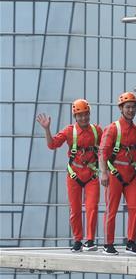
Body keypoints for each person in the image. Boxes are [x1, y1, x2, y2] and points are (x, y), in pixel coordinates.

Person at [36, 99, 102, 252]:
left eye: (86, 114)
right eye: (80, 115)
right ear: (75, 116)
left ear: (89, 114)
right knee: (75, 209)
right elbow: (52, 145)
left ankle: (90, 240)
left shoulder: (96, 130)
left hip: (91, 174)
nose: (83, 118)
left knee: (92, 207)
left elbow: (107, 146)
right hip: (74, 175)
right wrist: (47, 129)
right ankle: (77, 240)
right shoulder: (69, 131)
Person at [98, 91, 136, 255]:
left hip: (131, 175)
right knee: (112, 209)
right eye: (128, 107)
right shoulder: (112, 129)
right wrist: (103, 173)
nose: (131, 110)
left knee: (135, 207)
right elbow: (102, 152)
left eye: (133, 107)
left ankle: (131, 242)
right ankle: (108, 244)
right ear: (121, 108)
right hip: (115, 174)